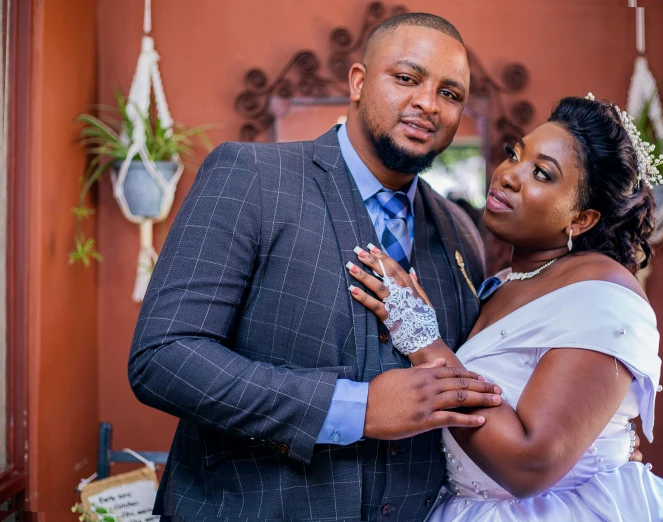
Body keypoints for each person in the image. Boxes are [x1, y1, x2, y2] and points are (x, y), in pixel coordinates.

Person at [127, 13, 507, 521]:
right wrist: (356, 407)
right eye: (407, 78)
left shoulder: (460, 230)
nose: (427, 103)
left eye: (450, 93)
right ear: (358, 81)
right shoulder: (252, 178)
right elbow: (163, 358)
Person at [347, 94, 663, 521]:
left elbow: (530, 464)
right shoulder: (500, 282)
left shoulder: (602, 292)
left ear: (581, 219)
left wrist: (424, 341)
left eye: (541, 173)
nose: (508, 175)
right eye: (514, 155)